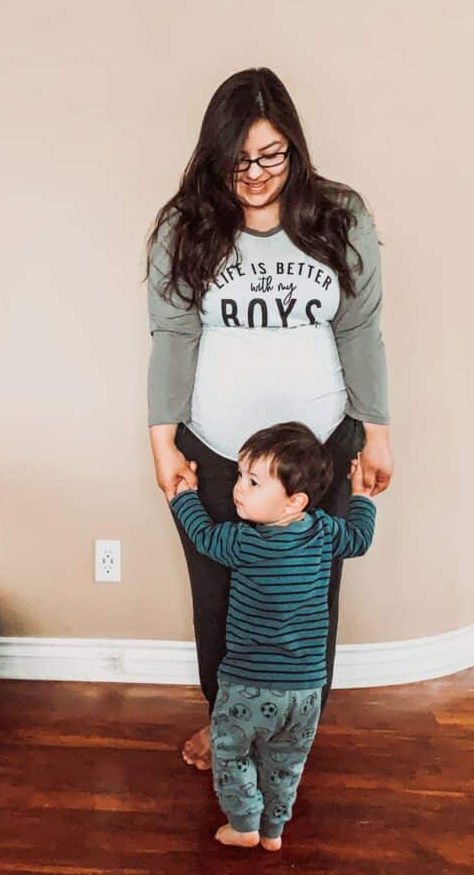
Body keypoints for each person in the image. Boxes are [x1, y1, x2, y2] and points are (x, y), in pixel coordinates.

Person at [146, 67, 393, 770]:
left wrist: (377, 433)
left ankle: (290, 728)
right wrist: (162, 442)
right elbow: (173, 335)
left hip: (316, 453)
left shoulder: (339, 216)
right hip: (219, 451)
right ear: (213, 155)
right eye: (238, 159)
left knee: (306, 603)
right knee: (219, 602)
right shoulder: (185, 224)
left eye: (271, 155)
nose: (254, 174)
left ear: (295, 147)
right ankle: (224, 723)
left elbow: (360, 332)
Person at [169, 421, 376, 850]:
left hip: (246, 686)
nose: (238, 489)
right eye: (241, 477)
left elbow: (203, 535)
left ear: (293, 501)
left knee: (231, 756)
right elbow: (359, 539)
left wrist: (184, 494)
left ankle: (244, 825)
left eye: (252, 481)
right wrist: (361, 495)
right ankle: (274, 831)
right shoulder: (323, 533)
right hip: (305, 691)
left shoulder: (244, 542)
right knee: (286, 764)